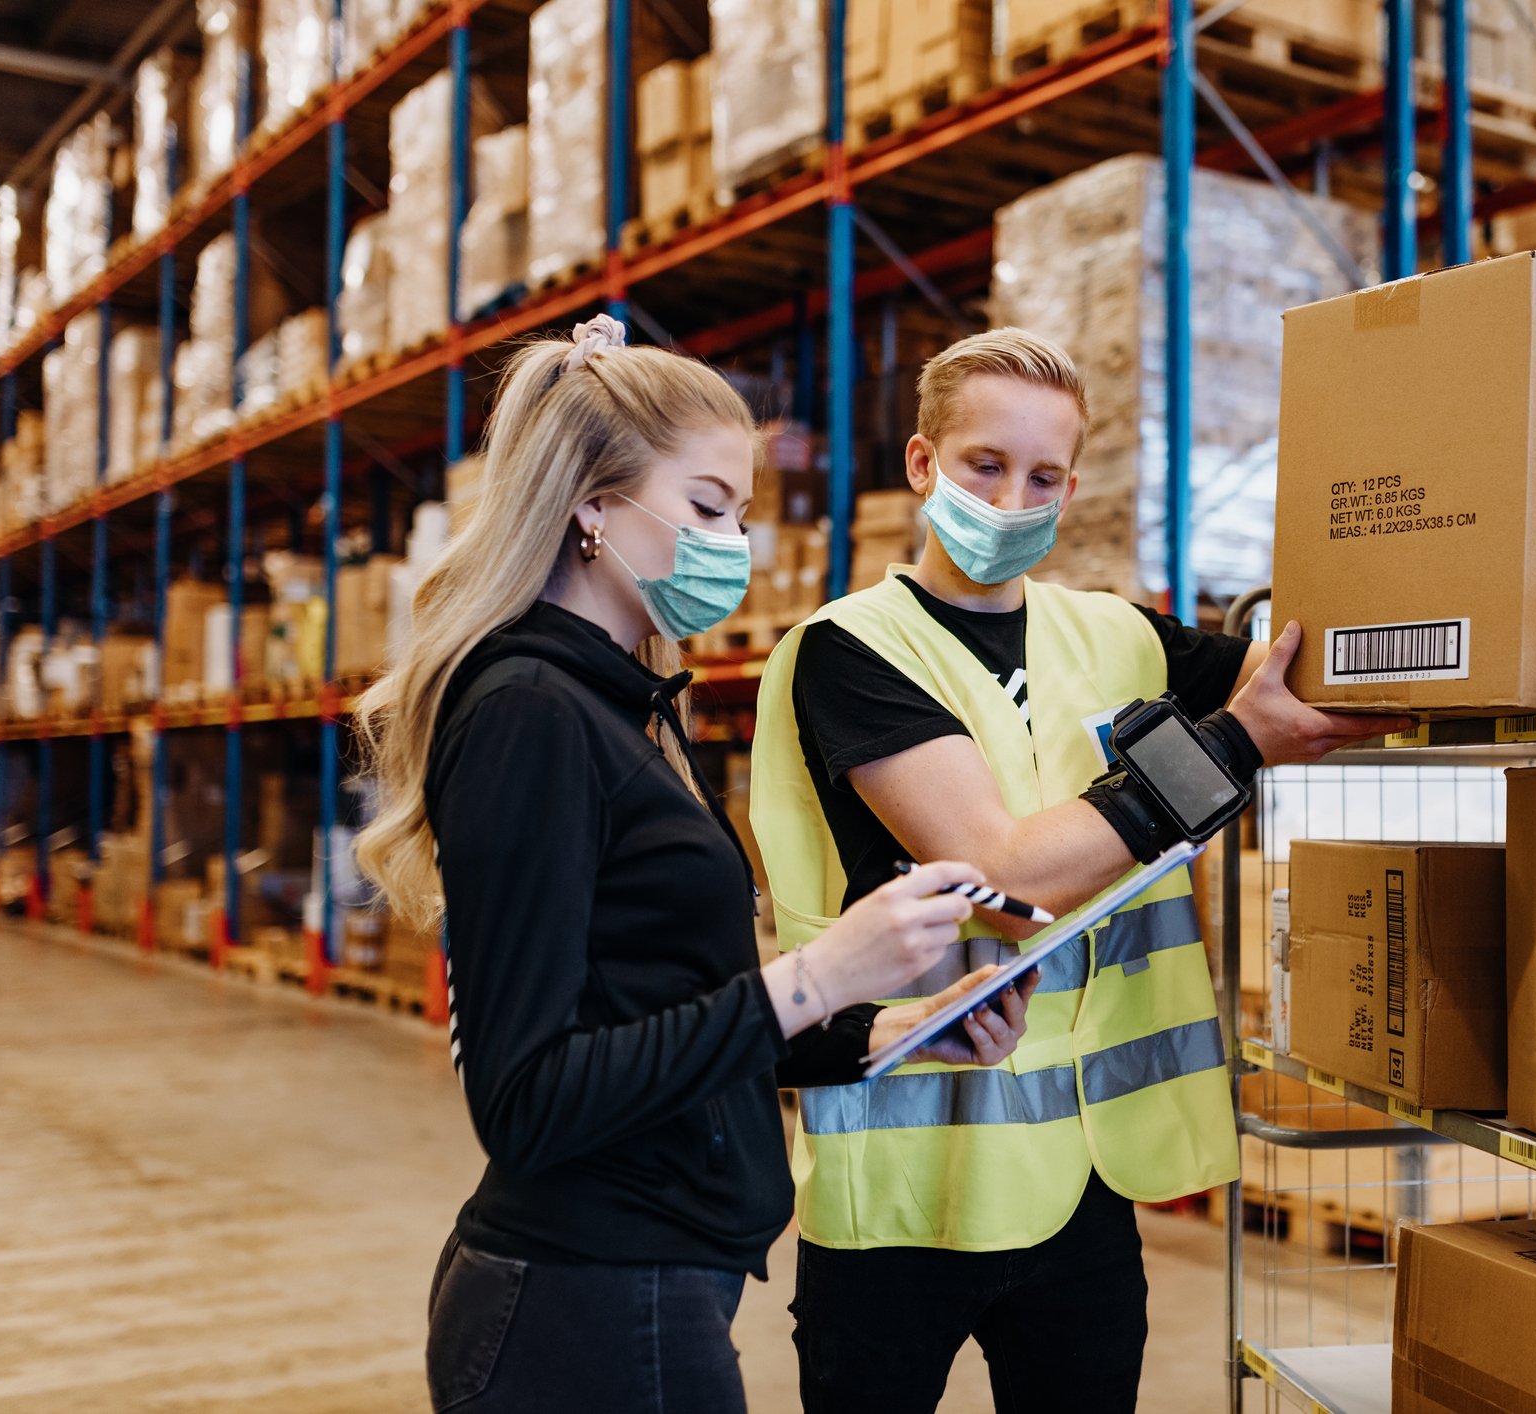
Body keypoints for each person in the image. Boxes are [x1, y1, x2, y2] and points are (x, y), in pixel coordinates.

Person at [351, 315, 1036, 1414]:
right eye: (708, 507)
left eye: (743, 514)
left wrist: (886, 1026)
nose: (735, 543)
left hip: (651, 1283)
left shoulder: (623, 707)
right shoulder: (532, 712)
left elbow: (663, 1012)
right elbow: (528, 1097)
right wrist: (822, 971)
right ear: (591, 506)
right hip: (588, 1299)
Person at [748, 327, 1412, 1412]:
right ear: (922, 465)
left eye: (1045, 476)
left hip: (1087, 1190)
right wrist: (1231, 745)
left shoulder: (1117, 640)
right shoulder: (850, 651)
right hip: (908, 1196)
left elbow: (1312, 679)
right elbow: (1003, 874)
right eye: (985, 466)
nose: (1015, 499)